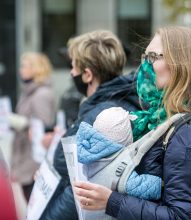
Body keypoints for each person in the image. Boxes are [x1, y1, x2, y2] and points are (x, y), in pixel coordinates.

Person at [74, 26, 191, 220]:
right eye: (145, 57)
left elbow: (181, 216)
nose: (145, 66)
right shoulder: (155, 120)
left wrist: (111, 201)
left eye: (153, 57)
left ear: (180, 65)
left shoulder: (186, 133)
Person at [40, 30, 141, 220]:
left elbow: (81, 187)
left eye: (73, 66)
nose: (71, 72)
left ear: (87, 75)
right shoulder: (120, 101)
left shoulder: (101, 115)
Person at [77, 106, 161, 201]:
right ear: (125, 139)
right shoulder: (118, 170)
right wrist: (161, 185)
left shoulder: (90, 155)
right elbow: (139, 186)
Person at [11, 52, 56, 202]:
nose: (20, 70)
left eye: (25, 66)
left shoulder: (41, 94)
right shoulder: (29, 92)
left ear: (36, 69)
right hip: (26, 156)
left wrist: (23, 123)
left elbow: (45, 128)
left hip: (34, 163)